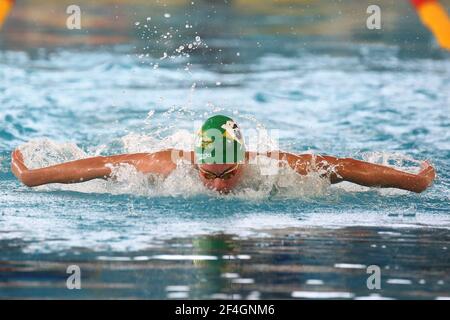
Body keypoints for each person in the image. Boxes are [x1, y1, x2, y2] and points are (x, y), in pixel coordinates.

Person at [11, 115, 436, 194]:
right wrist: (35, 175)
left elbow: (343, 168)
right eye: (208, 175)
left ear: (244, 161)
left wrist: (413, 182)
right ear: (195, 162)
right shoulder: (169, 165)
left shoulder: (276, 169)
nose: (216, 186)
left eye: (226, 175)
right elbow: (100, 167)